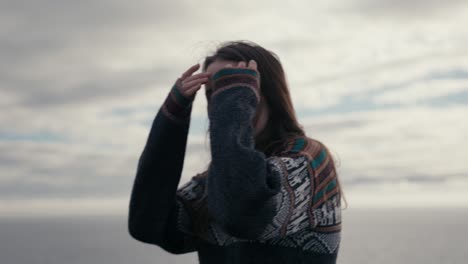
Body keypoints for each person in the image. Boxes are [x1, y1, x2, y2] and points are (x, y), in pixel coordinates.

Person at [128, 40, 345, 264]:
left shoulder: (309, 160)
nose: (226, 99)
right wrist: (172, 118)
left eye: (237, 85)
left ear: (268, 91)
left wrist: (233, 103)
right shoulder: (217, 182)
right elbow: (148, 225)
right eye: (215, 93)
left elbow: (242, 217)